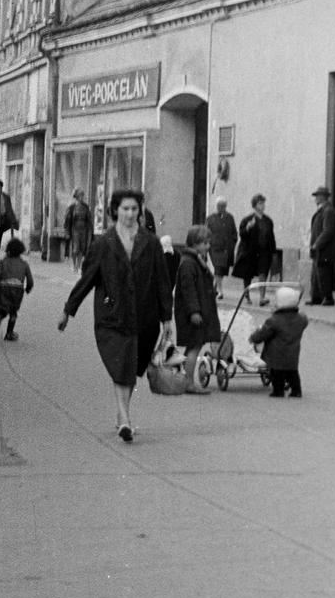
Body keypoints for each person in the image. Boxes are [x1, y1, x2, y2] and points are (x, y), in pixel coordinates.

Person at [58, 187, 173, 443]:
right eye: (125, 209)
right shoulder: (103, 243)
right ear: (115, 211)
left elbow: (163, 282)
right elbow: (87, 278)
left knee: (130, 368)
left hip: (145, 316)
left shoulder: (151, 243)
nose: (130, 213)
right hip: (113, 315)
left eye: (134, 209)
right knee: (121, 365)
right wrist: (69, 309)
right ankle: (124, 418)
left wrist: (167, 318)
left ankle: (123, 414)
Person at [174, 225, 221, 387]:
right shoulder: (189, 263)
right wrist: (194, 311)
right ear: (195, 243)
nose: (208, 246)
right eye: (205, 243)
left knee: (194, 345)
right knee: (194, 346)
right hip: (193, 314)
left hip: (198, 311)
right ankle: (188, 382)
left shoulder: (194, 260)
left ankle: (186, 380)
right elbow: (189, 290)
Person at [249, 285, 309, 398]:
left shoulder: (273, 321)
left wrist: (253, 338)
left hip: (276, 354)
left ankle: (278, 391)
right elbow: (305, 321)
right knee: (293, 373)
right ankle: (296, 390)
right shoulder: (300, 319)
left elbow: (263, 334)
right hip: (293, 352)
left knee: (277, 373)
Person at [233, 194, 276, 305]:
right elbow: (242, 235)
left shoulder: (268, 221)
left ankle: (262, 297)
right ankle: (247, 295)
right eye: (260, 203)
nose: (263, 205)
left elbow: (271, 237)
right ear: (254, 205)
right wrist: (248, 227)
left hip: (264, 251)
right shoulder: (247, 219)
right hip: (250, 251)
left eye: (263, 203)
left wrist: (273, 252)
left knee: (263, 273)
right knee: (248, 274)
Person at [0, 237, 34, 340]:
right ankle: (9, 333)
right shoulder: (24, 264)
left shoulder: (2, 262)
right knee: (13, 312)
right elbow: (30, 280)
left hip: (3, 288)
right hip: (17, 289)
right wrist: (28, 289)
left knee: (1, 309)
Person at [307, 186, 335, 305]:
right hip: (319, 249)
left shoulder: (328, 211)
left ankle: (327, 297)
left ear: (323, 197)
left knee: (324, 274)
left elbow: (328, 231)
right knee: (316, 274)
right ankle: (316, 297)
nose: (316, 198)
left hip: (325, 249)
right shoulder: (323, 210)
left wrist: (316, 244)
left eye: (317, 196)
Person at [206, 197, 238, 298]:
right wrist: (209, 243)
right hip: (215, 248)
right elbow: (206, 232)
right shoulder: (210, 218)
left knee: (222, 270)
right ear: (216, 206)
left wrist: (232, 243)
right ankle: (220, 291)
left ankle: (213, 288)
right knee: (218, 268)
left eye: (223, 206)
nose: (221, 208)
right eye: (219, 206)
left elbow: (234, 232)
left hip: (227, 248)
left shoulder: (230, 218)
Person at [63, 188, 93, 272]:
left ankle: (79, 266)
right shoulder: (72, 207)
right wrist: (67, 231)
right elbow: (67, 219)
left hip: (84, 230)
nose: (82, 197)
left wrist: (90, 229)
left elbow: (89, 218)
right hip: (75, 229)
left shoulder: (85, 207)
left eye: (83, 196)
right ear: (76, 197)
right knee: (75, 248)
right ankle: (74, 264)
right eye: (80, 196)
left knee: (82, 248)